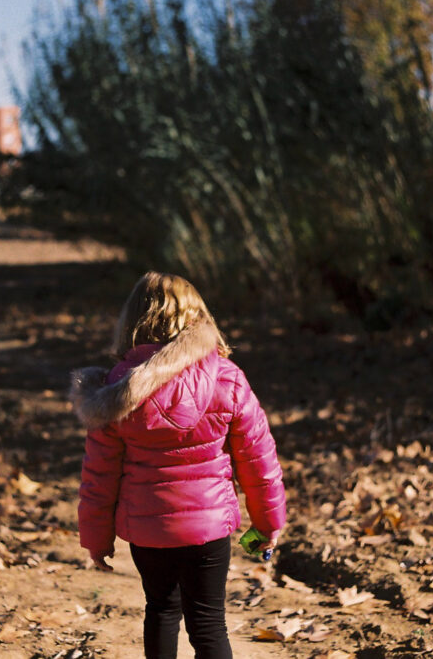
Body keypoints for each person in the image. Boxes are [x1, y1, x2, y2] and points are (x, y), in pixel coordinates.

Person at [71, 271, 287, 659]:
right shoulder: (229, 380)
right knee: (208, 624)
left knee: (161, 612)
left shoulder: (114, 391)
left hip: (148, 532)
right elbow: (259, 461)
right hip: (208, 531)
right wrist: (268, 524)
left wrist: (96, 540)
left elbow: (99, 477)